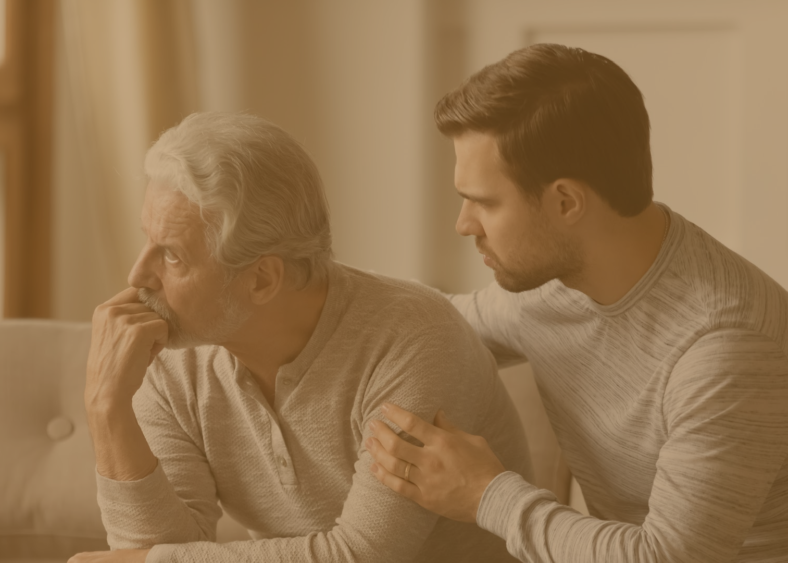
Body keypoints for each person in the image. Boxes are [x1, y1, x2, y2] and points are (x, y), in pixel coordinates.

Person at [366, 43, 788, 563]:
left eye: (484, 201)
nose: (463, 224)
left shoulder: (724, 348)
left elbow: (668, 559)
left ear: (566, 202)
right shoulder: (551, 286)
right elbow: (433, 323)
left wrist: (484, 493)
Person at [69, 112, 532, 563]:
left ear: (262, 279)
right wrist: (106, 409)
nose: (137, 275)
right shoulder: (173, 347)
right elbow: (156, 548)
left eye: (171, 256)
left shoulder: (412, 340)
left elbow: (364, 556)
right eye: (147, 240)